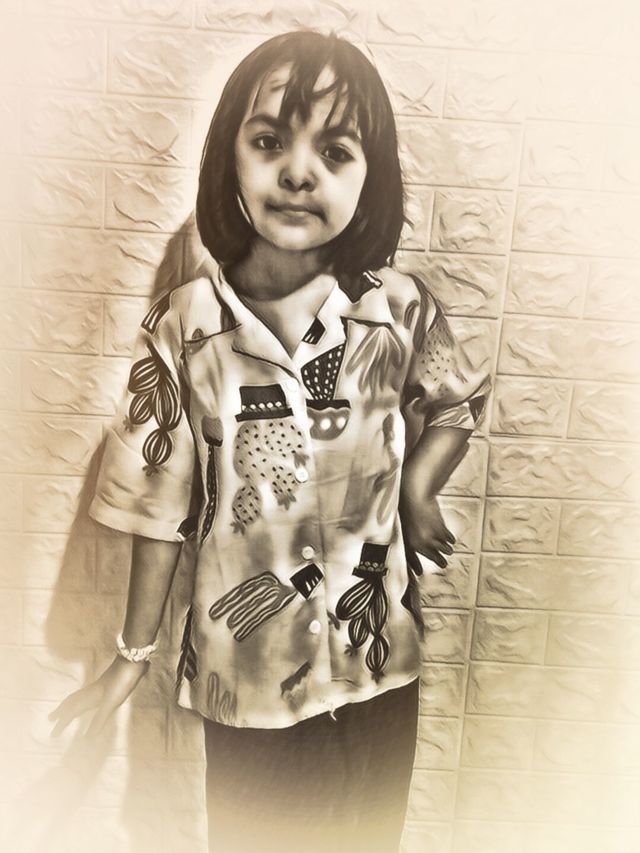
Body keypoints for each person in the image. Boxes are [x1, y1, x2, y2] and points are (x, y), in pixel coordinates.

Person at [50, 29, 491, 853]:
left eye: (336, 151)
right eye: (268, 142)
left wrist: (419, 486)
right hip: (247, 679)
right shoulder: (184, 331)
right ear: (231, 155)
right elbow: (157, 504)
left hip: (378, 661)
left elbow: (458, 399)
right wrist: (131, 655)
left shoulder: (398, 309)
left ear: (371, 178)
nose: (298, 171)